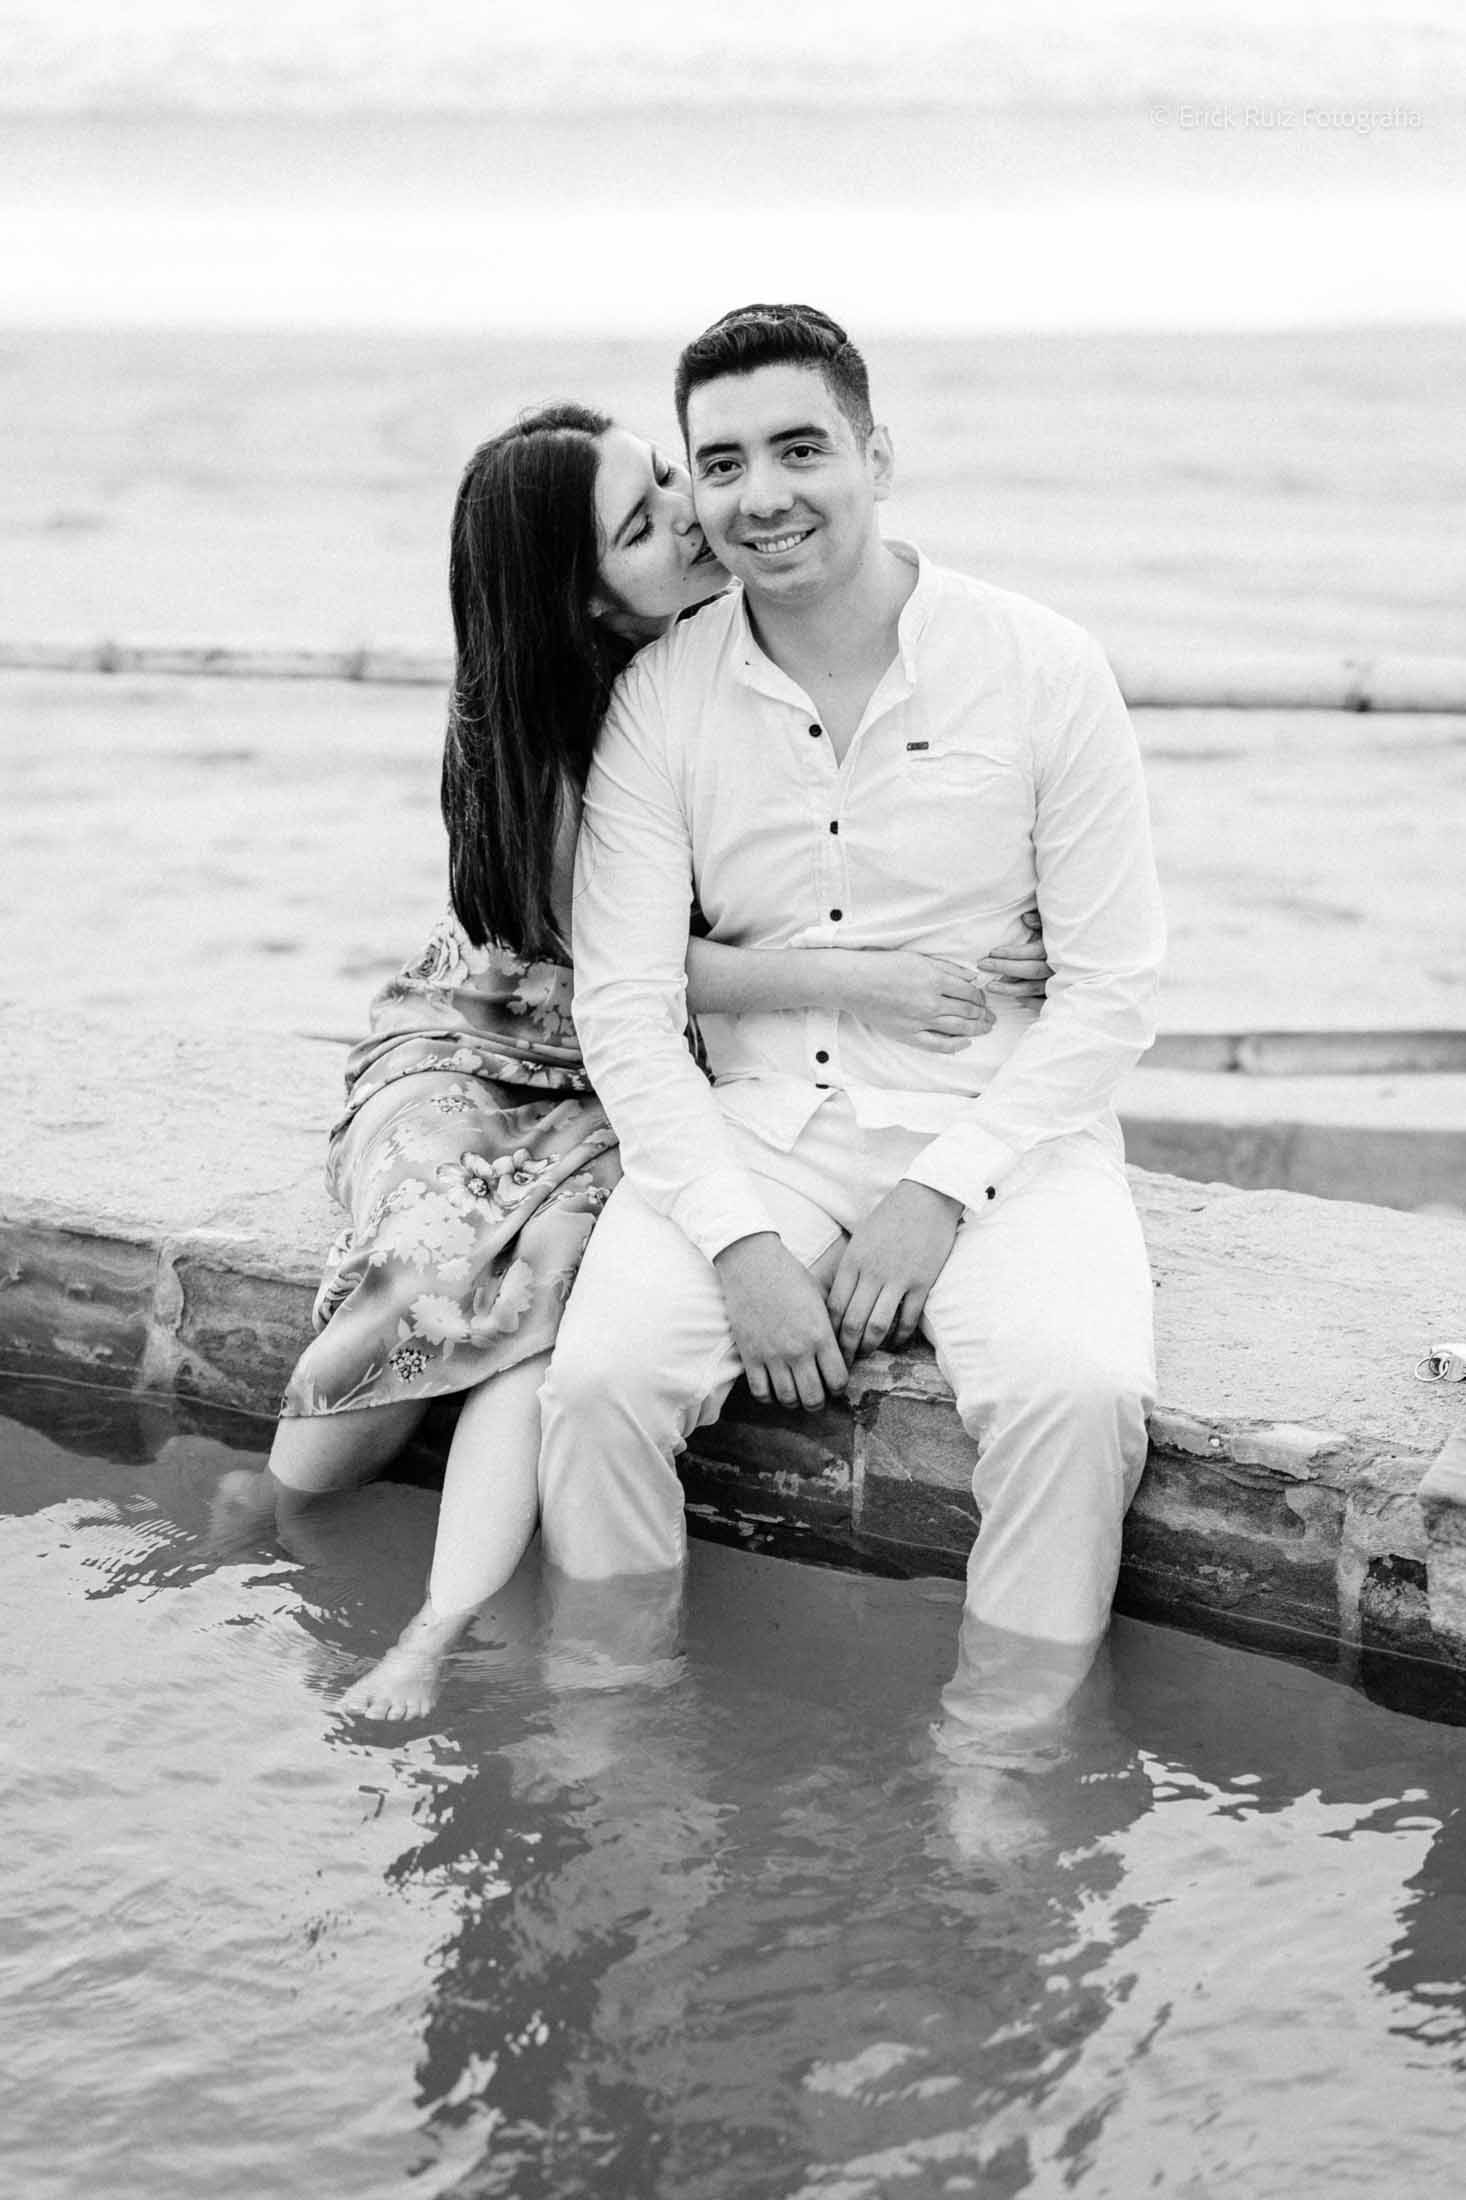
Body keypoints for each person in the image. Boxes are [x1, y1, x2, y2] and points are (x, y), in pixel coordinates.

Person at [213, 399, 1053, 1719]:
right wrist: (869, 981)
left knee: (552, 1295)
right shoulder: (549, 737)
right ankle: (275, 1503)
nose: (690, 515)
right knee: (434, 1258)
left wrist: (1006, 928)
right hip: (484, 1050)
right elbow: (640, 966)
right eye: (642, 523)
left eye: (667, 478)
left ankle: (437, 1627)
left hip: (634, 1072)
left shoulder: (742, 648)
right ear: (584, 593)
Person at [536, 305, 1167, 1721]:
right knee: (599, 1386)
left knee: (1075, 1394)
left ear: (877, 455)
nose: (761, 495)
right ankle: (611, 1719)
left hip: (1002, 1128)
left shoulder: (1041, 664)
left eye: (800, 448)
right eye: (721, 464)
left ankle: (1004, 1752)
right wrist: (738, 1245)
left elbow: (1114, 987)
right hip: (754, 1126)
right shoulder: (659, 698)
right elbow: (626, 1007)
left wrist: (940, 1193)